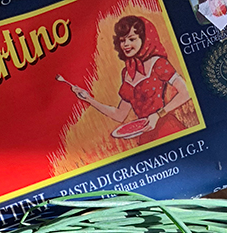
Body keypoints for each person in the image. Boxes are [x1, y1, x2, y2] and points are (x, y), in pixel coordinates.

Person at [68, 16, 192, 145]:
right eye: (122, 40)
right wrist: (88, 99)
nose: (125, 44)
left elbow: (187, 91)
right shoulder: (127, 73)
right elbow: (120, 114)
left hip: (168, 129)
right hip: (145, 136)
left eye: (131, 39)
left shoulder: (158, 63)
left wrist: (158, 114)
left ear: (144, 39)